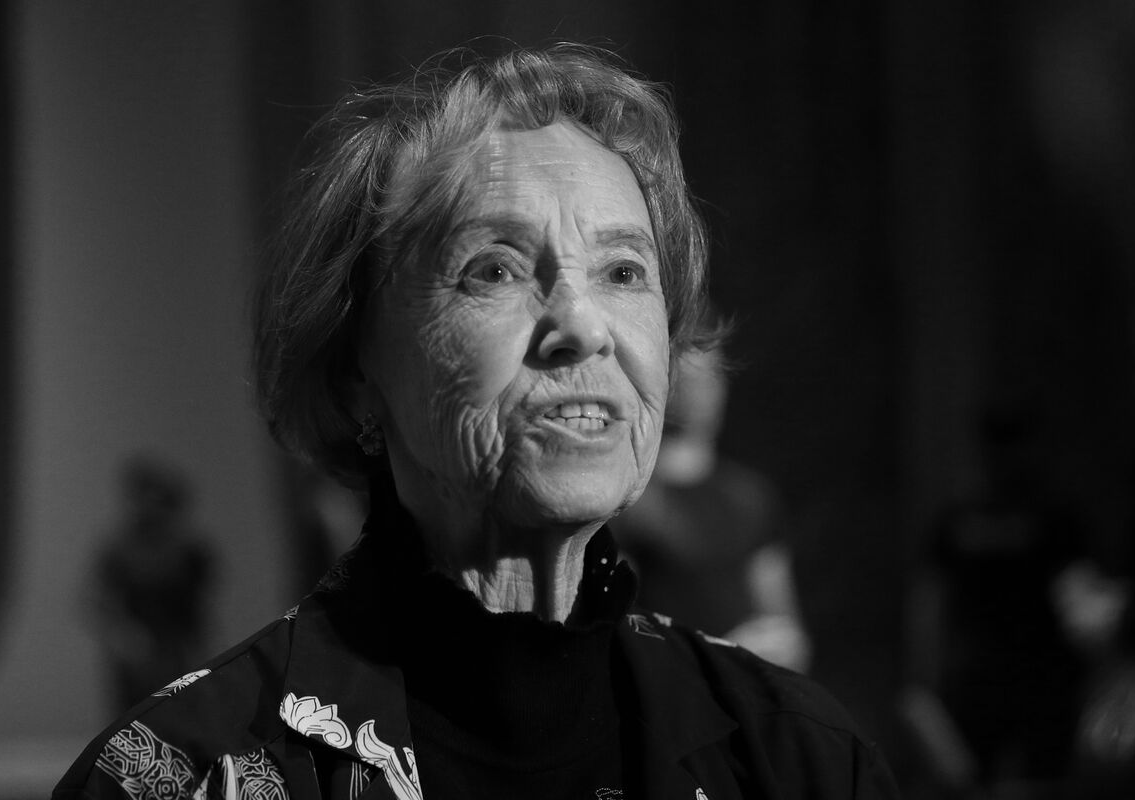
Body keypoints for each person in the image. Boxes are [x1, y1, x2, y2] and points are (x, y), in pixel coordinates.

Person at [54, 45, 898, 800]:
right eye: (494, 269)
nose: (584, 326)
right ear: (354, 374)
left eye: (623, 271)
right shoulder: (180, 776)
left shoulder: (802, 760)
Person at [616, 347, 811, 673]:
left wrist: (777, 649)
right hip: (673, 689)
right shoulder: (629, 501)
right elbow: (618, 630)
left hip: (747, 687)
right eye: (686, 375)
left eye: (711, 374)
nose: (699, 388)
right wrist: (720, 654)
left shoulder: (750, 496)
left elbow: (784, 622)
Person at [86, 453, 215, 715]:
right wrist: (124, 635)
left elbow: (199, 605)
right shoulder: (120, 551)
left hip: (178, 651)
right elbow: (98, 599)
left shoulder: (190, 552)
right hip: (136, 655)